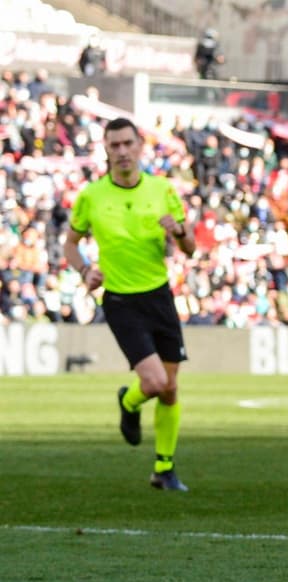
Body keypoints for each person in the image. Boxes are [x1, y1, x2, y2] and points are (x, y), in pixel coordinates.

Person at [64, 117, 197, 492]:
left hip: (159, 297)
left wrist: (180, 232)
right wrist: (85, 270)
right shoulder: (91, 196)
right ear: (106, 150)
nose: (122, 151)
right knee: (154, 382)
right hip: (121, 301)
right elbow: (70, 244)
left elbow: (190, 248)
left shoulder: (162, 190)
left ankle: (164, 469)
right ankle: (130, 401)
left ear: (140, 146)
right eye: (114, 145)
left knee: (170, 389)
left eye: (127, 144)